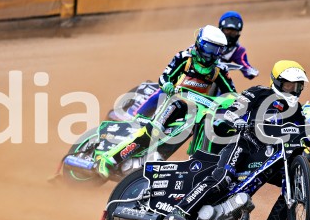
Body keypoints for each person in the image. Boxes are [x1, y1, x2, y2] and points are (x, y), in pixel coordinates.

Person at [166, 60, 310, 220]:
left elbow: (304, 131)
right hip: (244, 145)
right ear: (277, 81)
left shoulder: (296, 109)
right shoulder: (258, 92)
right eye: (289, 84)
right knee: (223, 178)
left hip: (271, 156)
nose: (292, 89)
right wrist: (236, 119)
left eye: (297, 86)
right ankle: (180, 210)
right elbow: (232, 111)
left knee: (294, 182)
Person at [96, 26, 235, 176]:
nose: (213, 54)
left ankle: (196, 169)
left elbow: (231, 93)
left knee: (208, 129)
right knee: (153, 131)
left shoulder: (219, 70)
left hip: (198, 110)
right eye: (210, 48)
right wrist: (168, 85)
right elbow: (164, 77)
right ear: (200, 43)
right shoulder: (184, 58)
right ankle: (110, 159)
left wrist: (230, 103)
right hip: (176, 102)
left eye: (218, 50)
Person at [217, 11, 259, 80]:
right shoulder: (210, 40)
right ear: (221, 29)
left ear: (238, 33)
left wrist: (250, 70)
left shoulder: (238, 51)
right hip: (198, 72)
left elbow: (244, 65)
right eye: (227, 30)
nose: (230, 35)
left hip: (218, 78)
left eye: (233, 32)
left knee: (230, 89)